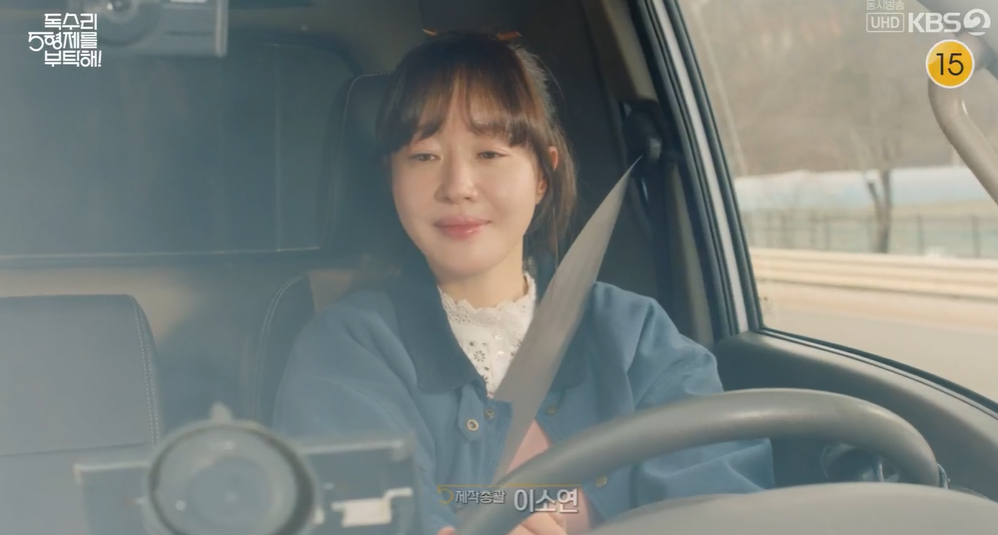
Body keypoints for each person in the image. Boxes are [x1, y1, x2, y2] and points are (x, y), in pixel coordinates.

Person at [273, 31, 774, 535]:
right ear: (391, 179)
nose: (458, 187)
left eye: (489, 154)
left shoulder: (635, 337)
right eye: (424, 156)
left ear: (542, 176)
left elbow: (721, 502)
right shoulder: (348, 349)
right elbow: (366, 518)